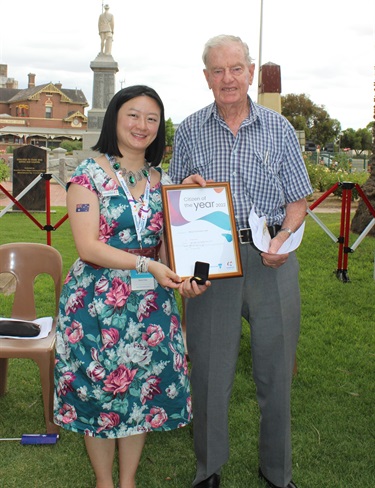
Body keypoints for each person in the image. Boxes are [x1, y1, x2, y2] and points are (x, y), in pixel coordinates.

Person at [168, 35, 313, 488]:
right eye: (218, 70)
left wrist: (285, 238)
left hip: (271, 256)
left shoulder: (279, 129)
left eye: (236, 69)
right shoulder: (190, 129)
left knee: (276, 372)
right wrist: (187, 188)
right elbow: (173, 203)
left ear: (250, 71)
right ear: (206, 77)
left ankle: (277, 473)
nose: (227, 78)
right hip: (212, 262)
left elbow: (298, 200)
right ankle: (207, 471)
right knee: (209, 373)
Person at [53, 85, 209, 488]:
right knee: (99, 391)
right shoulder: (88, 175)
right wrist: (148, 265)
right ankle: (105, 483)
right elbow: (88, 246)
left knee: (140, 387)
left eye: (152, 118)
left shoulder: (165, 181)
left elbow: (171, 247)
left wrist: (184, 275)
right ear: (116, 119)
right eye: (133, 115)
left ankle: (128, 482)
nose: (142, 125)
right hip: (96, 302)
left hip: (150, 304)